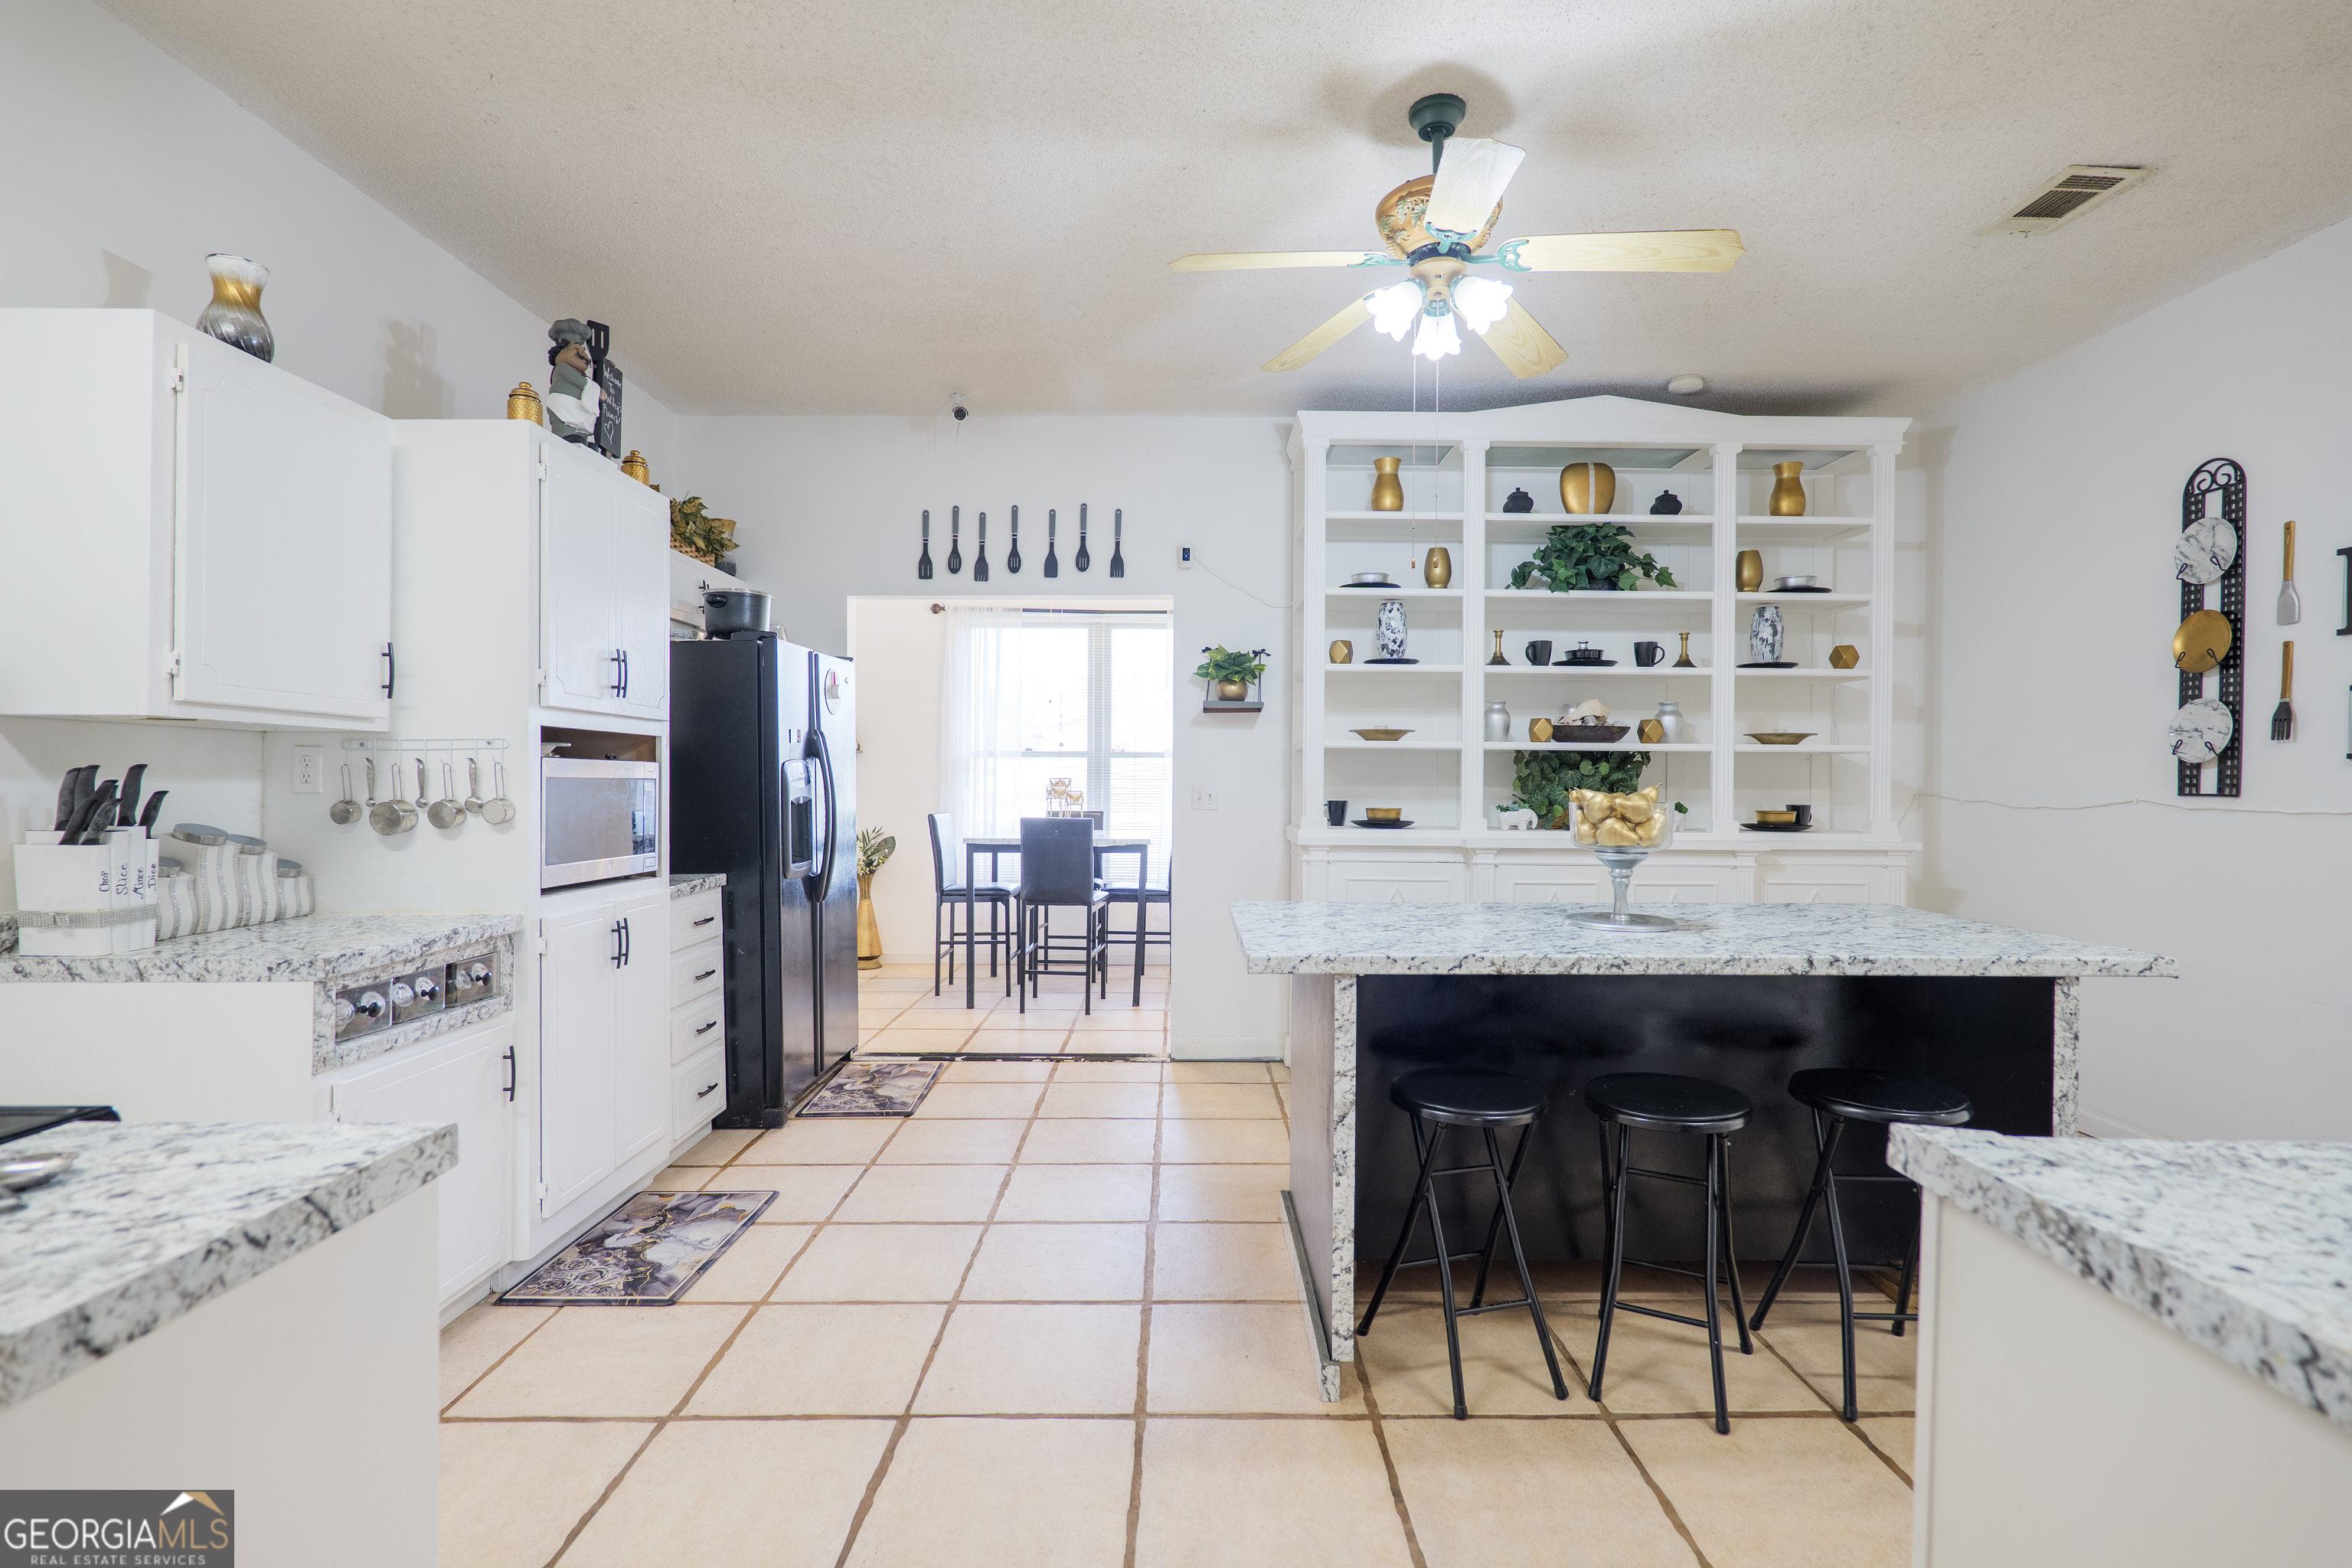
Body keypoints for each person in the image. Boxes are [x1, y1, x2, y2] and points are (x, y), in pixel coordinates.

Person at [542, 318, 600, 443]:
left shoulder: (580, 373)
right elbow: (580, 383)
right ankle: (565, 435)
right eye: (576, 349)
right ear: (563, 350)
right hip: (564, 404)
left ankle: (582, 439)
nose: (582, 354)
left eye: (583, 351)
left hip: (575, 406)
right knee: (564, 422)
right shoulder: (563, 368)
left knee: (580, 423)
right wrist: (598, 391)